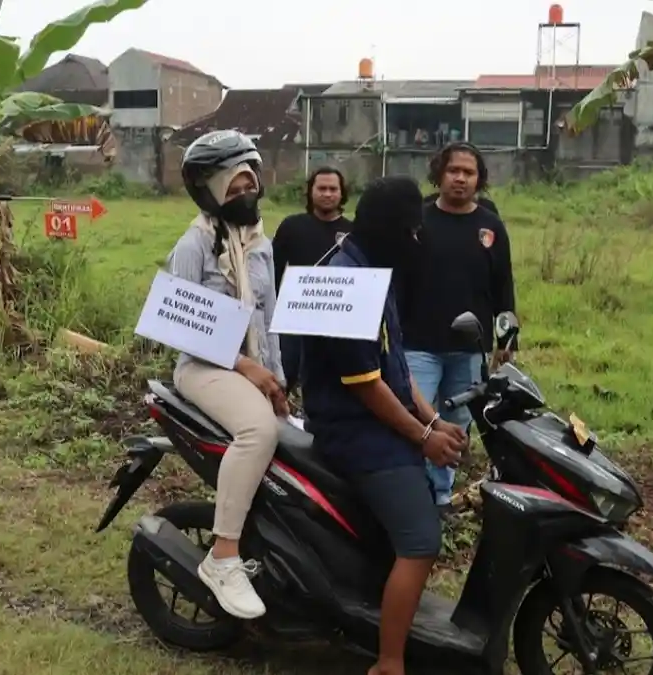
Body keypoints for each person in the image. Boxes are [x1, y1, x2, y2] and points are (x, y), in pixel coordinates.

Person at [301, 176, 468, 675]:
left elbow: (393, 367)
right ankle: (389, 662)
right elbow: (365, 385)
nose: (416, 240)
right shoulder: (348, 283)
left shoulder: (373, 268)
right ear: (390, 227)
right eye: (410, 230)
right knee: (421, 541)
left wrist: (433, 418)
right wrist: (423, 437)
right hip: (355, 431)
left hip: (375, 419)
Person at [166, 130, 289, 620]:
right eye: (232, 188)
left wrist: (278, 382)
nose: (245, 194)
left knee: (292, 439)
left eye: (249, 184)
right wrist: (245, 367)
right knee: (258, 431)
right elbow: (180, 327)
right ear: (211, 192)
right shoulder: (194, 244)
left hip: (253, 370)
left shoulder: (261, 244)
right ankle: (222, 556)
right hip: (202, 367)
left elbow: (268, 320)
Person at [403, 142, 516, 510]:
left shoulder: (491, 226)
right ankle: (411, 496)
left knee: (456, 424)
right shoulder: (417, 222)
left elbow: (503, 285)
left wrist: (507, 338)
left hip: (469, 348)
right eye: (454, 171)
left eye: (469, 173)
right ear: (440, 174)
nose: (460, 178)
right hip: (417, 343)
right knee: (417, 419)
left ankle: (440, 496)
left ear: (479, 180)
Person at [271, 167, 353, 392]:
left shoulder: (352, 232)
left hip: (335, 321)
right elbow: (274, 271)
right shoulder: (291, 226)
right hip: (294, 320)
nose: (327, 194)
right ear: (310, 191)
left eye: (333, 189)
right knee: (283, 378)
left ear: (342, 193)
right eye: (322, 188)